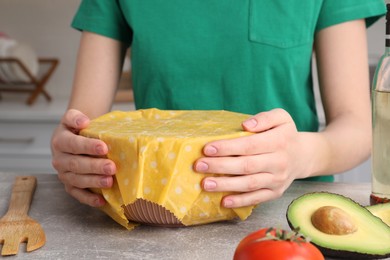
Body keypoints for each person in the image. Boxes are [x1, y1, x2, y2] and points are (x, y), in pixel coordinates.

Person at [51, 0, 386, 209]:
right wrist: (74, 151)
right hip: (153, 208)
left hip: (285, 209)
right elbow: (84, 123)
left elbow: (357, 127)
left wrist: (300, 156)